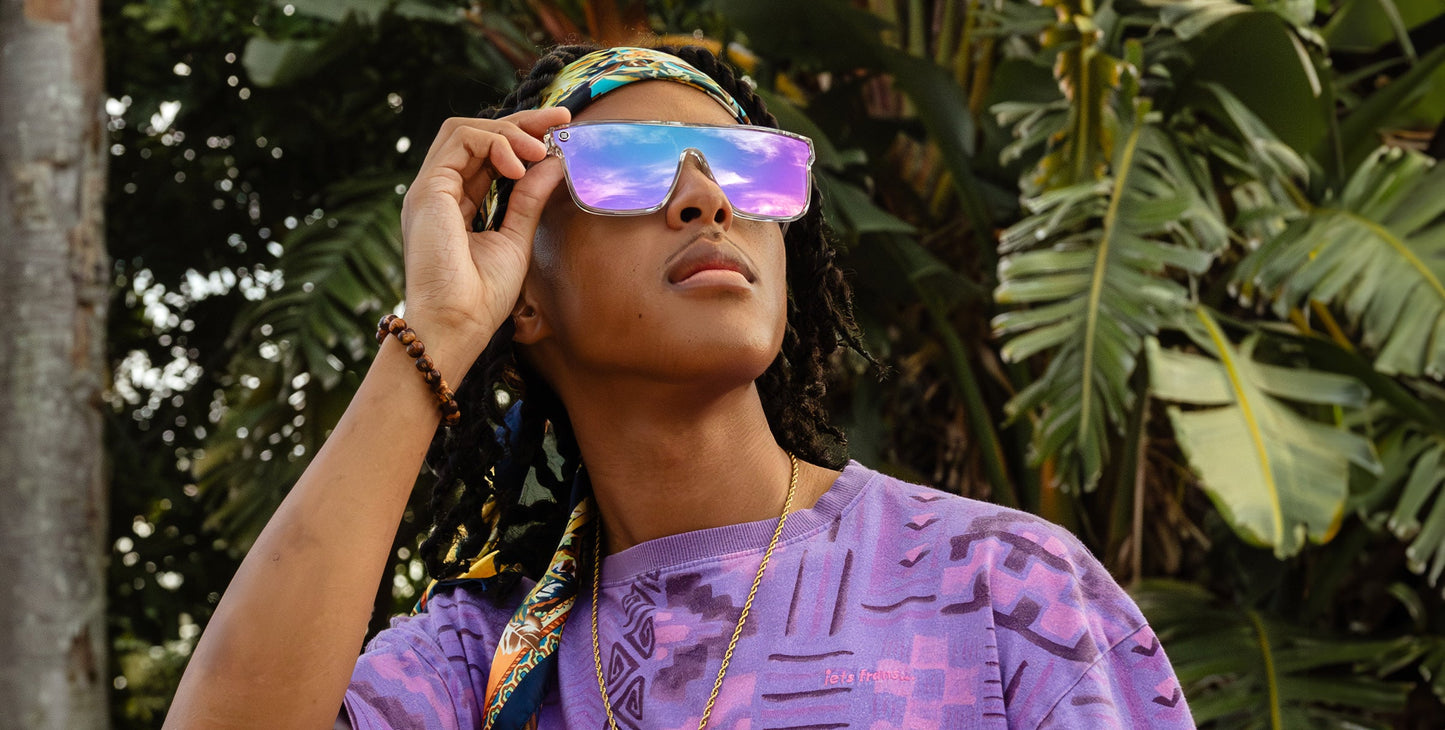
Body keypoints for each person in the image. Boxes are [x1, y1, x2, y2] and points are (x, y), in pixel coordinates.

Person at [166, 44, 1193, 729]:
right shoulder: (475, 668)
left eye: (748, 172)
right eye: (628, 164)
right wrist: (435, 328)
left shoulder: (1003, 588)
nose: (706, 197)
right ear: (525, 294)